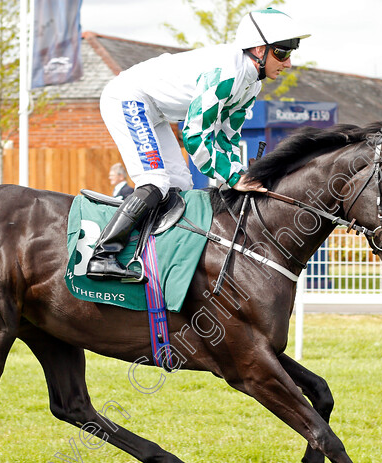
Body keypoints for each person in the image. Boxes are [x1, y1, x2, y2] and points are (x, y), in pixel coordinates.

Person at [87, 7, 309, 282]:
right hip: (128, 98)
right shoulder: (226, 73)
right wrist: (232, 177)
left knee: (180, 185)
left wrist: (240, 174)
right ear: (258, 49)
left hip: (156, 112)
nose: (287, 63)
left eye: (290, 53)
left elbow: (226, 136)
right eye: (282, 52)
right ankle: (102, 255)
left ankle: (155, 256)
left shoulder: (251, 85)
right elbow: (195, 135)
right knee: (155, 180)